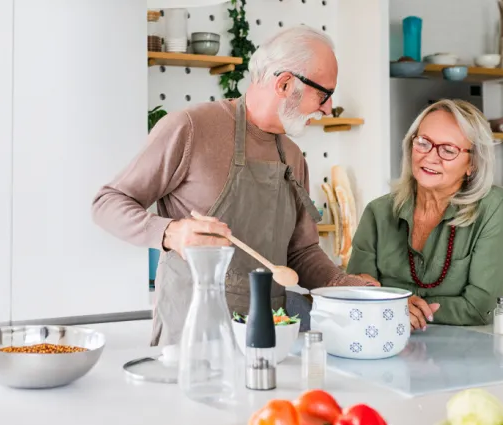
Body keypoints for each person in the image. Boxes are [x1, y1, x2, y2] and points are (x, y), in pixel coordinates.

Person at [91, 26, 376, 347]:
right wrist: (170, 233)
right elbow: (107, 202)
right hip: (193, 335)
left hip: (267, 336)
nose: (327, 107)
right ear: (284, 83)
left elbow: (302, 251)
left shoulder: (293, 157)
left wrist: (342, 283)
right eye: (323, 94)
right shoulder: (190, 128)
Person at [346, 99, 503, 330]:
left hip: (464, 354)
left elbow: (480, 306)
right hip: (385, 345)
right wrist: (396, 307)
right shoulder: (378, 212)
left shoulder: (493, 206)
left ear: (472, 164)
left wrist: (398, 307)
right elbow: (359, 294)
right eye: (423, 142)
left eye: (448, 150)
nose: (430, 157)